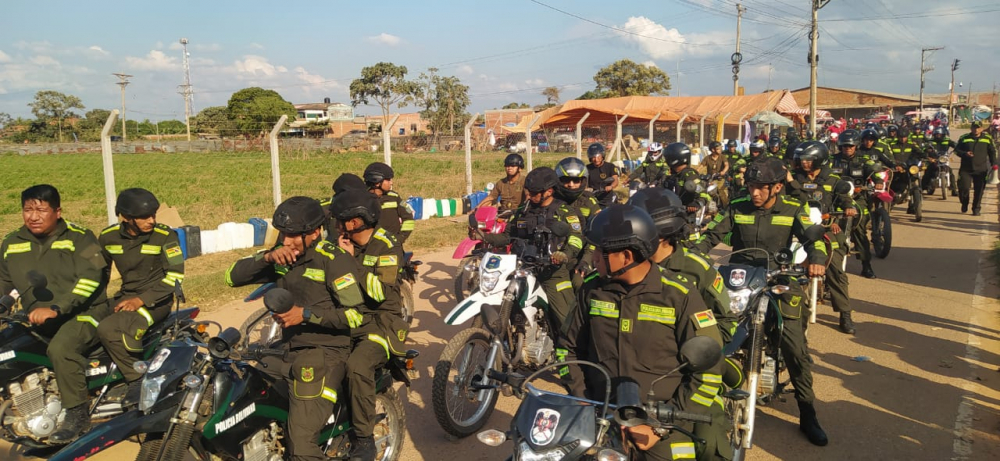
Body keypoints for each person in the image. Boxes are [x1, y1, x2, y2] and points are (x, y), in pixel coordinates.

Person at [558, 204, 728, 461]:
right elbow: (567, 350)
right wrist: (583, 402)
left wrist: (659, 426)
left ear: (626, 257)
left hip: (663, 422)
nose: (592, 257)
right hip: (600, 413)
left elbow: (710, 370)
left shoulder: (679, 295)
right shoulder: (591, 290)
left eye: (600, 251)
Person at [693, 158, 830, 447]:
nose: (754, 193)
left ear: (777, 187)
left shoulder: (794, 208)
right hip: (739, 281)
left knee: (794, 347)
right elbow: (712, 235)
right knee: (710, 332)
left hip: (779, 279)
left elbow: (812, 238)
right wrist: (693, 256)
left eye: (761, 188)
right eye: (751, 186)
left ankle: (807, 412)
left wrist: (816, 260)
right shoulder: (738, 205)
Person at [226, 197, 368, 461]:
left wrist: (304, 315)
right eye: (283, 234)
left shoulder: (334, 261)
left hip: (326, 354)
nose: (287, 241)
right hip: (287, 349)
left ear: (314, 233)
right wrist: (267, 257)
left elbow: (355, 316)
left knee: (301, 448)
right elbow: (231, 277)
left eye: (294, 236)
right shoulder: (282, 257)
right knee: (242, 398)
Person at [0, 185, 109, 443]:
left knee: (62, 348)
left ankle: (78, 415)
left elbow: (92, 278)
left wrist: (58, 307)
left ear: (57, 212)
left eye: (41, 210)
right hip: (35, 316)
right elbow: (4, 283)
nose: (33, 216)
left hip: (86, 313)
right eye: (28, 209)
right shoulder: (12, 243)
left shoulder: (81, 238)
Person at [330, 189, 409, 461]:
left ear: (355, 222)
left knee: (357, 366)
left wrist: (351, 262)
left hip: (381, 323)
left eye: (341, 220)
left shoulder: (386, 246)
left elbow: (379, 294)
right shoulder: (340, 242)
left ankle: (364, 440)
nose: (336, 226)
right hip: (350, 316)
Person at [96, 188, 185, 407]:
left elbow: (175, 277)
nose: (151, 221)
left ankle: (136, 378)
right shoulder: (108, 237)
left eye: (153, 215)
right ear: (125, 218)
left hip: (157, 301)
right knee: (87, 322)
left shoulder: (165, 236)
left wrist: (140, 300)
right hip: (125, 296)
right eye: (144, 217)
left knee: (109, 329)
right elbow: (100, 275)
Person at [484, 167, 584, 335]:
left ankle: (570, 357)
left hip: (552, 272)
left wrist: (564, 254)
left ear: (549, 191)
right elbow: (508, 236)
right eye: (528, 191)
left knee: (567, 324)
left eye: (534, 192)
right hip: (523, 270)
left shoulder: (564, 211)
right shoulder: (524, 210)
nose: (529, 195)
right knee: (507, 309)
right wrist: (484, 237)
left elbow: (577, 237)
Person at [786, 141, 859, 334]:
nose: (804, 163)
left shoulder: (832, 179)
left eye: (808, 160)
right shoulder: (792, 178)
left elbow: (846, 199)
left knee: (835, 267)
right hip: (797, 228)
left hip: (827, 228)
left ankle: (845, 314)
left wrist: (848, 209)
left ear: (819, 160)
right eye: (802, 160)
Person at [830, 130, 877, 279]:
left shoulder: (864, 160)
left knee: (859, 226)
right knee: (827, 224)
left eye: (850, 146)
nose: (847, 148)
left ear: (856, 146)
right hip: (836, 198)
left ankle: (866, 265)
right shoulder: (832, 160)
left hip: (858, 198)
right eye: (844, 146)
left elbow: (874, 171)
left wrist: (879, 181)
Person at [363, 162, 415, 243]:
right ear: (377, 182)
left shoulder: (395, 197)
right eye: (388, 180)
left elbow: (409, 216)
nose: (391, 183)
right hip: (371, 247)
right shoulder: (362, 199)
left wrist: (400, 238)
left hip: (394, 249)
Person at [956, 121, 998, 215]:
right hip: (966, 169)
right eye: (974, 127)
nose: (976, 129)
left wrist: (994, 164)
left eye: (978, 128)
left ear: (982, 128)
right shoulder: (964, 138)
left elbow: (992, 152)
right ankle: (964, 203)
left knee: (979, 191)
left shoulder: (987, 139)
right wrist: (964, 154)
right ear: (971, 128)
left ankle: (976, 208)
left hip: (981, 169)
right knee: (964, 188)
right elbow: (956, 150)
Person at [662, 142, 711, 215]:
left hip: (684, 216)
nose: (666, 161)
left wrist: (696, 204)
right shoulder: (673, 175)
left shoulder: (689, 175)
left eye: (668, 158)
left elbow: (703, 194)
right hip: (669, 213)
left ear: (675, 159)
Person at [586, 143, 620, 207]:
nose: (596, 159)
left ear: (602, 155)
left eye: (598, 156)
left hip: (606, 198)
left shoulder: (610, 166)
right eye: (593, 157)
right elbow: (583, 182)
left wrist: (611, 186)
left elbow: (615, 180)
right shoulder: (587, 168)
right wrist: (586, 189)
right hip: (592, 197)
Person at [929, 126, 958, 195]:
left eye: (939, 134)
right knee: (929, 170)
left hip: (943, 158)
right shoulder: (931, 141)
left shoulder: (947, 140)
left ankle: (954, 190)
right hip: (934, 159)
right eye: (936, 134)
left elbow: (955, 145)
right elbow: (926, 147)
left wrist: (957, 148)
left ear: (943, 134)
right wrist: (928, 150)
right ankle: (924, 187)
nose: (938, 136)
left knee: (950, 172)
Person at [702, 141, 730, 206]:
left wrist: (723, 171)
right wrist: (695, 172)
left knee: (721, 193)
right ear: (712, 150)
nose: (720, 150)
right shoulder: (707, 158)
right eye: (718, 148)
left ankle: (725, 208)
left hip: (720, 179)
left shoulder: (722, 157)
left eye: (720, 148)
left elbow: (726, 165)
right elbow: (701, 166)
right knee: (705, 192)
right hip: (711, 179)